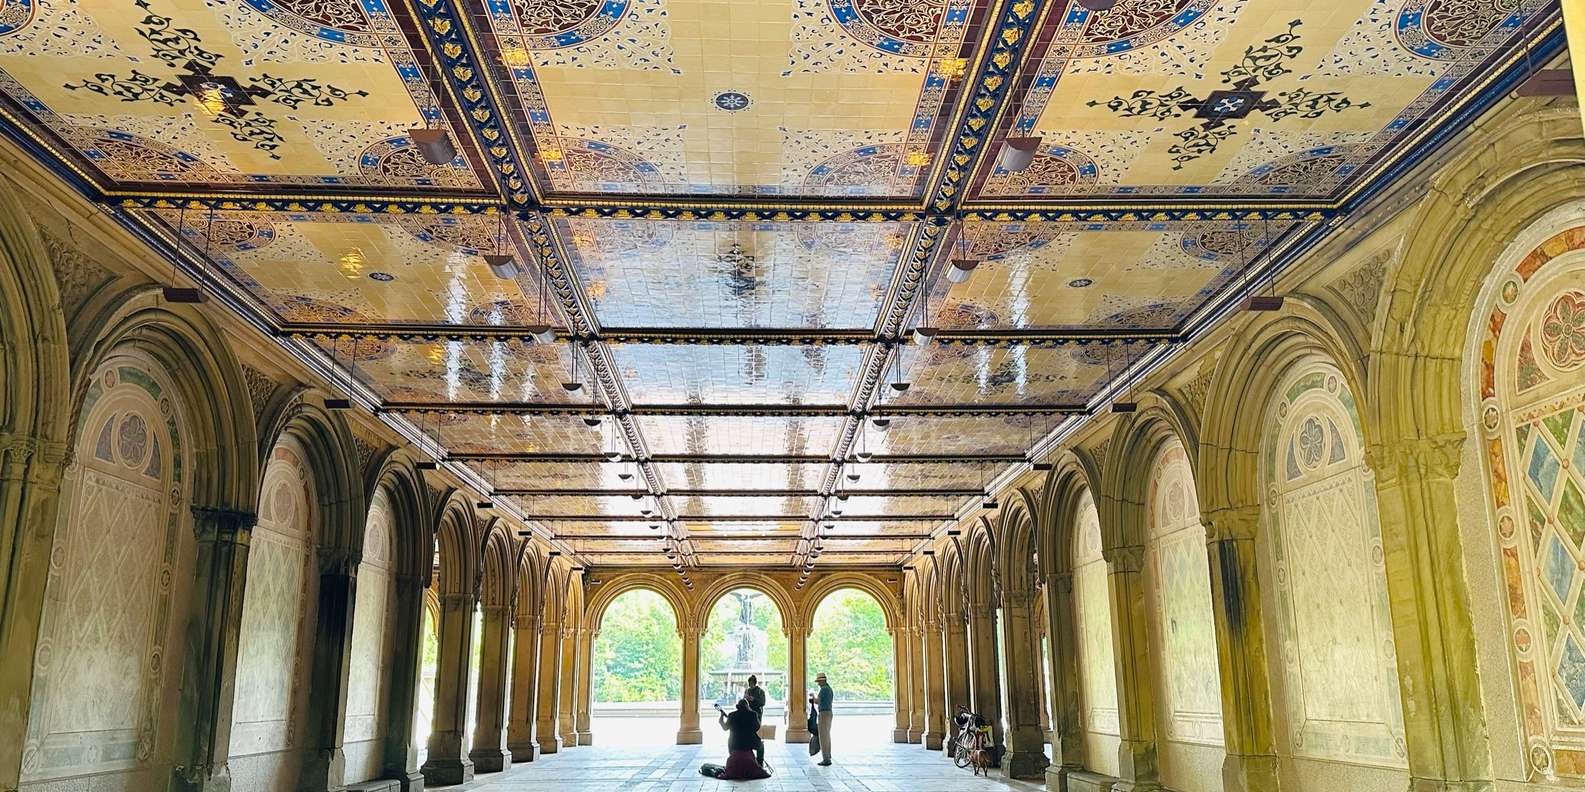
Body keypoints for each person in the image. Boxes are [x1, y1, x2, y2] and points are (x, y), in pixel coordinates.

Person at [713, 699, 770, 780]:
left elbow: (725, 728)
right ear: (747, 706)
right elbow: (757, 727)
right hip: (750, 743)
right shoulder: (752, 714)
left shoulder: (731, 715)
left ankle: (735, 764)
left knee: (730, 742)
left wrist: (721, 718)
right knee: (761, 746)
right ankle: (759, 765)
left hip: (734, 744)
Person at [743, 675, 767, 765]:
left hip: (757, 715)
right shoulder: (747, 690)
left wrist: (753, 699)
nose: (749, 685)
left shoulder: (760, 691)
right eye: (749, 683)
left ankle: (759, 761)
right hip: (747, 715)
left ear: (754, 682)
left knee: (757, 733)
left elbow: (763, 703)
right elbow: (743, 702)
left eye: (751, 683)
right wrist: (745, 699)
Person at [814, 672, 834, 766]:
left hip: (824, 713)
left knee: (823, 737)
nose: (818, 684)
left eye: (818, 682)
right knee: (827, 735)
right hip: (829, 713)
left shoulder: (823, 690)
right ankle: (828, 756)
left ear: (822, 681)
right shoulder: (829, 689)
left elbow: (818, 701)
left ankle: (826, 759)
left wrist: (813, 698)